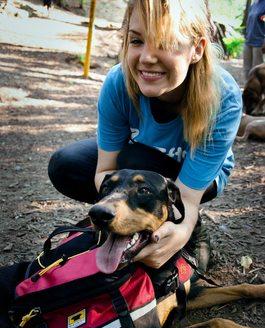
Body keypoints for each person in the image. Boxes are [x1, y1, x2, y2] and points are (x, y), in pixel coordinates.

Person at [48, 0, 242, 272]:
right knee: (67, 164)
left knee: (135, 158)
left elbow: (186, 196)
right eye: (137, 40)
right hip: (139, 161)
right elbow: (105, 169)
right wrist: (113, 215)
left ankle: (193, 229)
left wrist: (183, 229)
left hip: (196, 179)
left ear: (196, 49)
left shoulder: (223, 98)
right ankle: (136, 221)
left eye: (165, 42)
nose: (147, 57)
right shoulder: (118, 82)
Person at [243, 0, 265, 81]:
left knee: (257, 69)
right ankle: (247, 89)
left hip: (259, 42)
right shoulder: (254, 4)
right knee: (246, 69)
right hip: (248, 40)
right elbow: (249, 22)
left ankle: (258, 91)